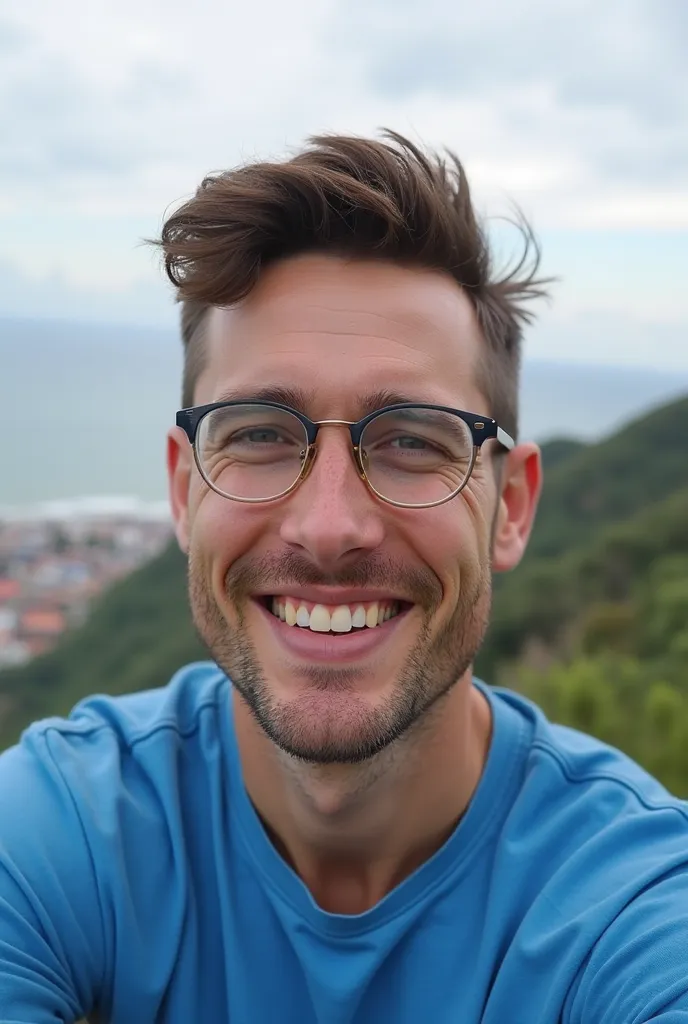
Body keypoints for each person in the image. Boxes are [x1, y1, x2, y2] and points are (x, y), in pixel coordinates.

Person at [1, 131, 687, 1024]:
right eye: (257, 433)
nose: (329, 527)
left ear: (511, 507)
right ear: (181, 488)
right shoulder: (61, 835)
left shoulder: (631, 908)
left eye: (411, 441)